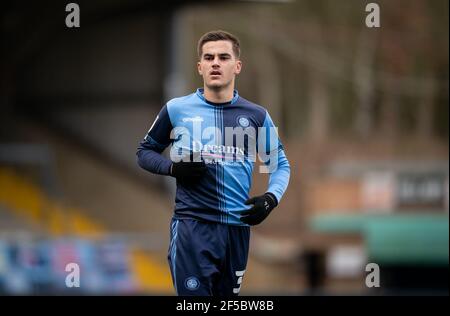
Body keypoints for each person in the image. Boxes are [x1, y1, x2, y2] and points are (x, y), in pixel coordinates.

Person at [137, 30, 290, 296]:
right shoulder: (177, 109)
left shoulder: (257, 115)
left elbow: (279, 165)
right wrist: (173, 168)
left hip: (237, 230)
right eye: (208, 57)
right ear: (200, 67)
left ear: (237, 66)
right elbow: (145, 152)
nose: (215, 63)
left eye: (223, 57)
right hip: (192, 228)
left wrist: (270, 199)